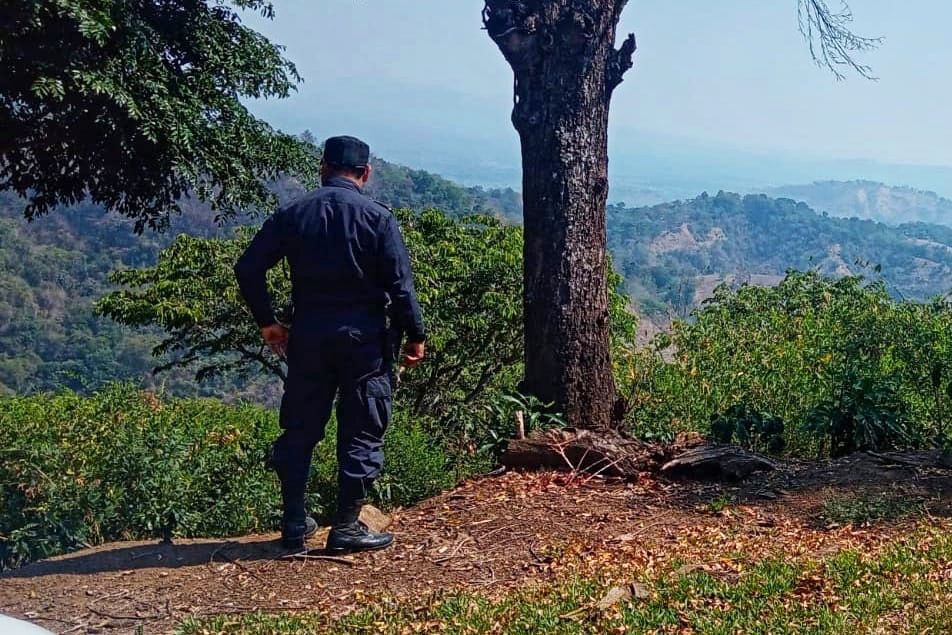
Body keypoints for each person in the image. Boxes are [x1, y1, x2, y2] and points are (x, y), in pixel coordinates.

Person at [234, 135, 426, 553]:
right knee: (362, 430)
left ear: (322, 168)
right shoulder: (378, 218)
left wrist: (269, 323)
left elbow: (248, 269)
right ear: (365, 173)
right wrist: (415, 336)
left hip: (309, 337)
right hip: (366, 343)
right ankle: (346, 527)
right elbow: (400, 287)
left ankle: (293, 525)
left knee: (299, 429)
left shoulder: (293, 214)